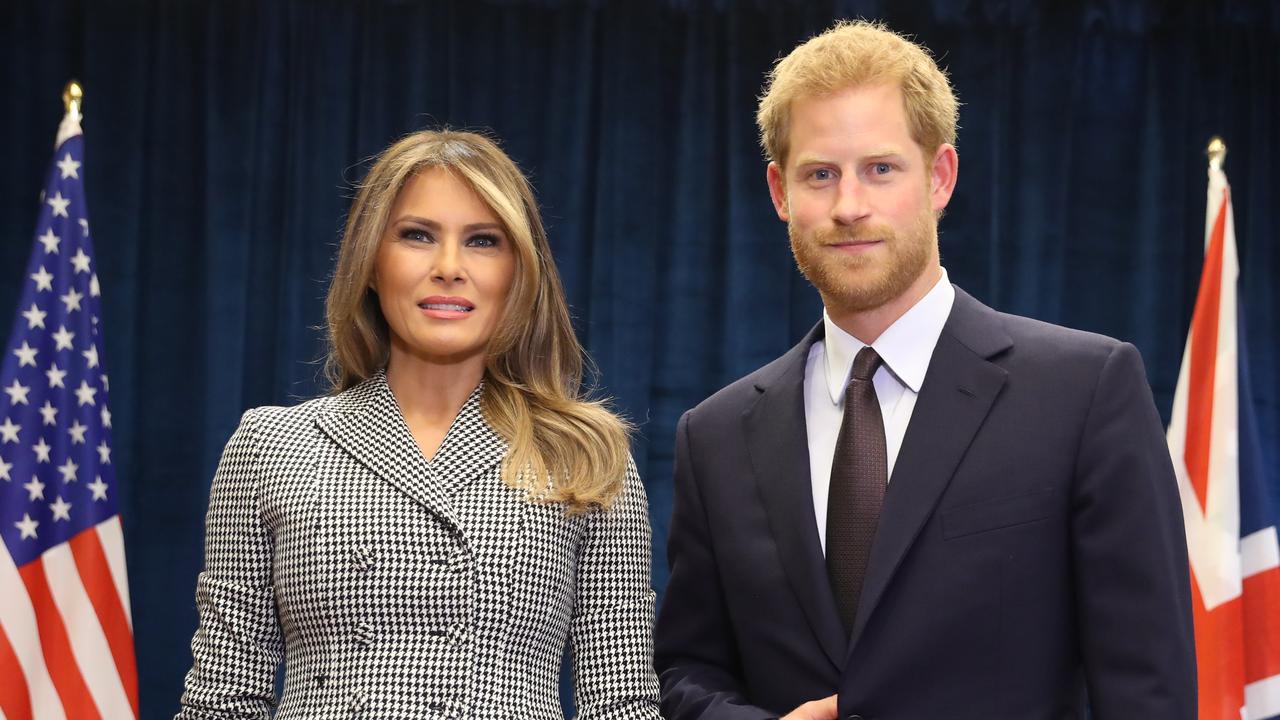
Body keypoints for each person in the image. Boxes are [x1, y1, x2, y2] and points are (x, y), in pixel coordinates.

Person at [654, 20, 1195, 720]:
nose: (850, 206)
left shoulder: (1084, 392)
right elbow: (689, 671)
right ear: (780, 192)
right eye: (820, 174)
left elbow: (1148, 688)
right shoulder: (716, 435)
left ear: (940, 177)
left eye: (881, 168)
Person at [177, 130, 661, 718]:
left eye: (483, 241)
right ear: (371, 264)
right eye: (417, 236)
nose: (449, 268)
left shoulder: (587, 458)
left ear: (520, 274)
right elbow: (222, 700)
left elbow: (622, 704)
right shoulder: (271, 446)